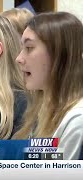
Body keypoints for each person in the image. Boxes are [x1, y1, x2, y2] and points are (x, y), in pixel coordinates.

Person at [13, 12, 83, 159]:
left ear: (60, 54)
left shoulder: (77, 120)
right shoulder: (38, 112)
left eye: (29, 47)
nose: (19, 58)